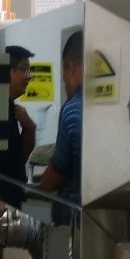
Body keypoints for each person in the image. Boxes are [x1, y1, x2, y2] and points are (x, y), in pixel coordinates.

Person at [38, 31, 83, 226]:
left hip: (73, 222)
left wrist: (38, 184)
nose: (64, 80)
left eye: (64, 73)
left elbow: (53, 179)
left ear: (71, 68)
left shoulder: (72, 109)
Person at [0, 44, 36, 209]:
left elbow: (19, 159)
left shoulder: (11, 107)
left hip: (13, 199)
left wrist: (29, 128)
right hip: (0, 202)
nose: (29, 76)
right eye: (25, 69)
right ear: (9, 71)